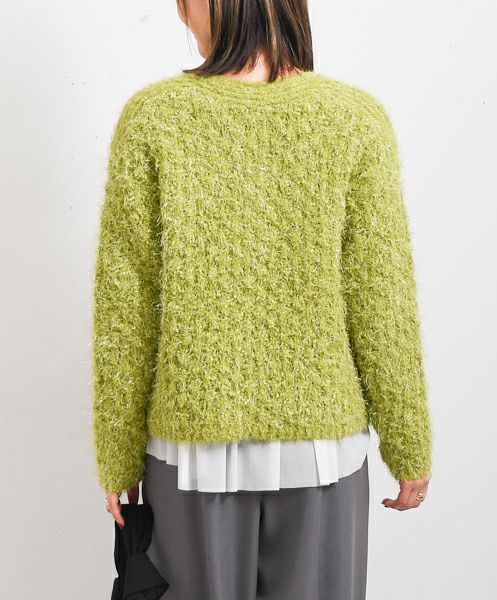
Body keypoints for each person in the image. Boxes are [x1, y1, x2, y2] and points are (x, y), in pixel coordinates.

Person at [91, 0, 433, 598]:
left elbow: (127, 306)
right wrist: (409, 444)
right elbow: (382, 302)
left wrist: (117, 456)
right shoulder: (354, 119)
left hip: (190, 455)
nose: (182, 17)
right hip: (323, 453)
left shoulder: (154, 118)